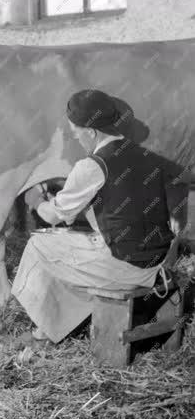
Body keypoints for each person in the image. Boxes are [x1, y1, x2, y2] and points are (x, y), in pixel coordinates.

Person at [12, 89, 189, 344]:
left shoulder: (91, 166)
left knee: (39, 244)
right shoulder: (147, 156)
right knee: (73, 244)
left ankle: (44, 332)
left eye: (76, 131)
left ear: (91, 131)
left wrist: (35, 200)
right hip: (159, 260)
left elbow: (53, 216)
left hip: (128, 268)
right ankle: (64, 322)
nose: (75, 136)